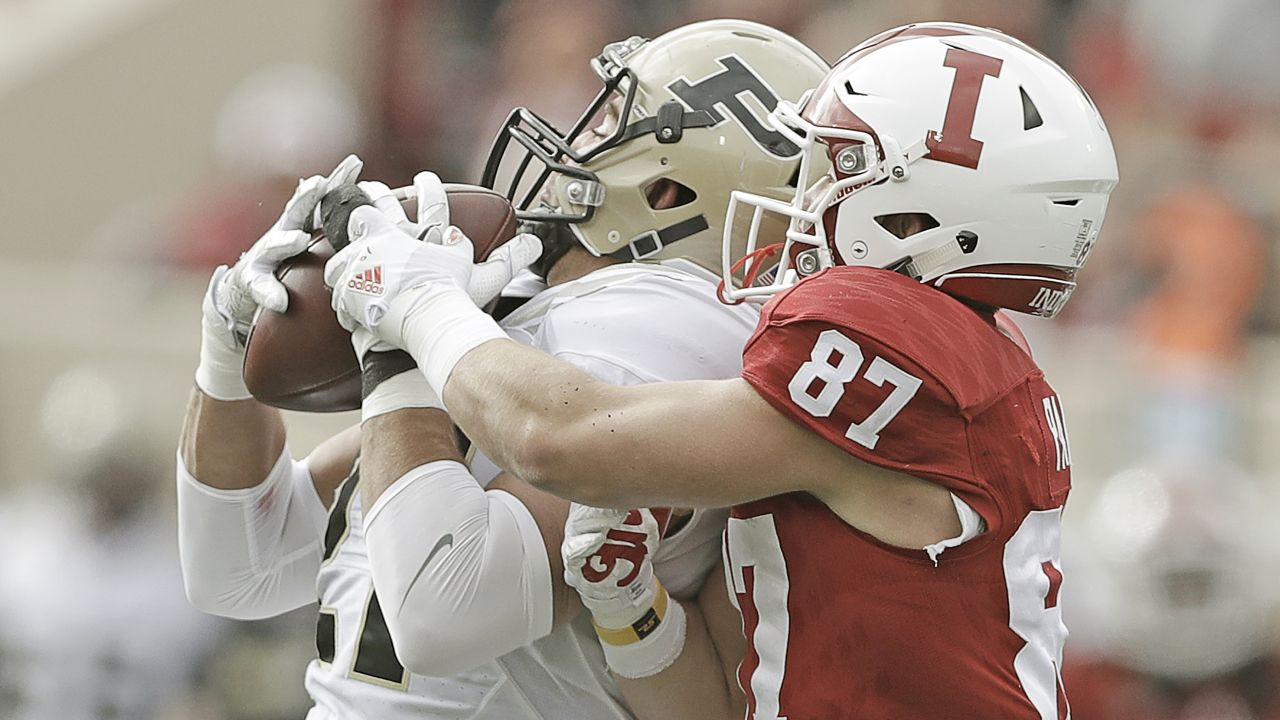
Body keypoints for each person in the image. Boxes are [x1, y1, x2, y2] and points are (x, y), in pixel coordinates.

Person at [326, 21, 1119, 719]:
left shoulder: (893, 339)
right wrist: (632, 609)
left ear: (915, 221)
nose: (804, 189)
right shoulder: (949, 361)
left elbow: (557, 438)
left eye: (838, 166)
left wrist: (417, 305)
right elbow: (715, 703)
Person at [178, 19, 826, 720]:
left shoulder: (667, 326)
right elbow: (240, 570)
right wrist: (226, 354)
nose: (577, 144)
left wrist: (402, 339)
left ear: (666, 192)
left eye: (611, 118)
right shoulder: (550, 315)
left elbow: (443, 611)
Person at [1064, 460, 1280, 719]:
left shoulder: (1269, 682)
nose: (1189, 613)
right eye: (1175, 591)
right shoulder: (1083, 688)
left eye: (1201, 588)